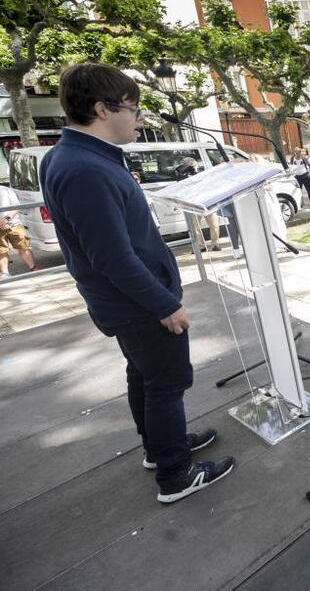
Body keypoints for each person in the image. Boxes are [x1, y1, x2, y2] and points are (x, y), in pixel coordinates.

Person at [39, 63, 233, 503]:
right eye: (133, 109)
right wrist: (164, 304)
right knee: (167, 383)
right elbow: (111, 256)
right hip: (137, 304)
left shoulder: (70, 156)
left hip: (125, 303)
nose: (139, 118)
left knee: (144, 376)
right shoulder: (85, 168)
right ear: (102, 109)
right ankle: (176, 474)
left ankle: (162, 447)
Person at [0, 184, 40, 278]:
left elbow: (16, 206)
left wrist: (7, 219)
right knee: (1, 250)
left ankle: (33, 268)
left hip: (14, 224)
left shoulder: (6, 190)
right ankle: (5, 273)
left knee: (23, 247)